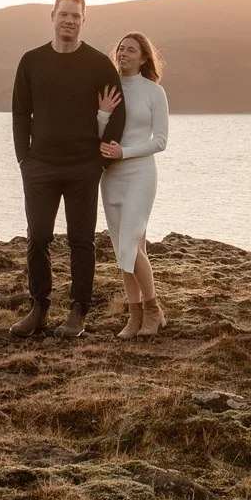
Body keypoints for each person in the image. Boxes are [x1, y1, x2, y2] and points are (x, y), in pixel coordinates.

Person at [10, 0, 126, 338]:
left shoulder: (97, 64)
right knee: (39, 237)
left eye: (76, 16)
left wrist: (102, 160)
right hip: (40, 166)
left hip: (82, 167)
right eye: (64, 15)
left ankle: (78, 311)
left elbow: (118, 111)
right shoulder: (32, 61)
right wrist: (23, 159)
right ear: (53, 16)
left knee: (81, 240)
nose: (69, 21)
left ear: (83, 21)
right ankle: (39, 307)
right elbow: (19, 113)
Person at [100, 32, 169, 337]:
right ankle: (134, 315)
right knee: (123, 249)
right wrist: (102, 112)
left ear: (143, 58)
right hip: (111, 176)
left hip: (140, 174)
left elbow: (161, 141)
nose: (124, 53)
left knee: (130, 242)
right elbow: (96, 132)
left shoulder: (154, 92)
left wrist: (125, 152)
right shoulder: (106, 87)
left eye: (131, 50)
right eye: (121, 49)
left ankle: (153, 311)